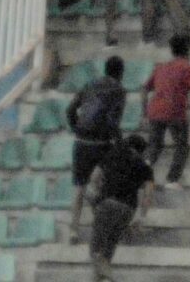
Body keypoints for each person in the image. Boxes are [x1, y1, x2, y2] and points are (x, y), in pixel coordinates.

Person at [67, 55, 126, 243]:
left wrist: (76, 128)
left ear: (105, 70)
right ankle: (101, 229)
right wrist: (120, 143)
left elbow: (70, 110)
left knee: (79, 188)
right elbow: (113, 121)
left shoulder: (89, 84)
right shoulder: (119, 90)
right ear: (121, 73)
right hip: (101, 143)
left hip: (81, 142)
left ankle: (73, 231)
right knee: (104, 186)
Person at [87, 135, 154, 282]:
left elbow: (94, 178)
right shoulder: (146, 167)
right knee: (109, 247)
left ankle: (108, 276)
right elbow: (148, 195)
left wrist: (95, 199)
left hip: (107, 203)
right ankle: (100, 278)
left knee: (95, 249)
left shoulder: (112, 155)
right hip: (128, 209)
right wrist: (142, 217)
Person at [143, 34, 190, 190]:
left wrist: (144, 113)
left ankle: (142, 172)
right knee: (182, 146)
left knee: (155, 146)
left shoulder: (160, 67)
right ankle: (172, 179)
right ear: (188, 49)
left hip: (155, 110)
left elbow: (145, 88)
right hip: (175, 111)